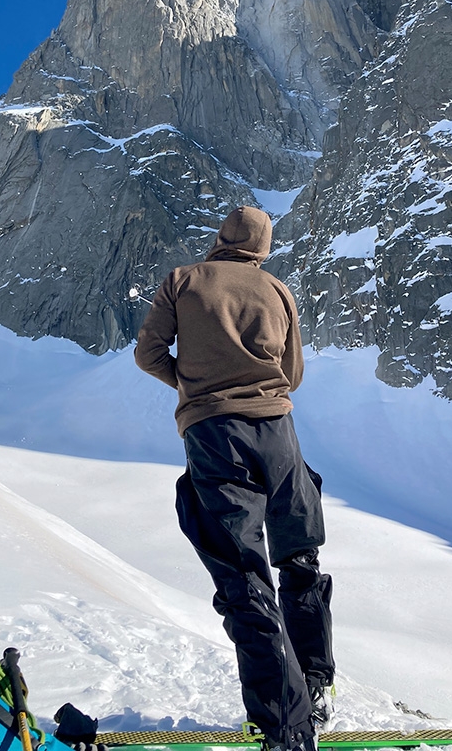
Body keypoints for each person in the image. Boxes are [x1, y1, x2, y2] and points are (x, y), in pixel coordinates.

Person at [134, 206, 334, 751]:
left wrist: (193, 384)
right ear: (264, 247)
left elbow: (147, 352)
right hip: (279, 431)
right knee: (300, 558)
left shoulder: (183, 280)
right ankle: (316, 686)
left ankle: (284, 727)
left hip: (214, 433)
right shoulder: (278, 291)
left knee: (243, 575)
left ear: (220, 237)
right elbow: (291, 374)